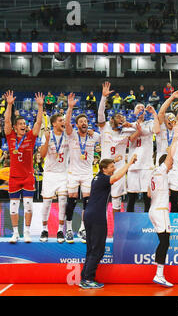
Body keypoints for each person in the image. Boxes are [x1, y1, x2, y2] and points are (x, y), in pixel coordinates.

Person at [79, 154, 137, 289]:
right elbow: (116, 177)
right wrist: (129, 164)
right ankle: (87, 279)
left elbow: (111, 170)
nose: (114, 168)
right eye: (112, 167)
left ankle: (85, 277)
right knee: (98, 250)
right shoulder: (104, 179)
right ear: (104, 169)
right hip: (97, 217)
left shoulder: (97, 177)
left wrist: (114, 160)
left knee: (91, 249)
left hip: (89, 215)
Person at [4, 90, 44, 243]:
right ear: (15, 127)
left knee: (28, 205)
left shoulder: (30, 137)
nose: (23, 125)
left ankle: (27, 232)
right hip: (14, 177)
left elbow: (38, 123)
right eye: (20, 124)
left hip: (28, 177)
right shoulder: (10, 136)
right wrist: (9, 104)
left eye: (24, 123)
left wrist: (40, 107)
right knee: (13, 207)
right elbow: (7, 121)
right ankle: (15, 233)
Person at [65, 93, 101, 243]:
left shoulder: (94, 136)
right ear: (77, 124)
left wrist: (95, 132)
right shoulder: (72, 135)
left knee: (87, 201)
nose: (84, 123)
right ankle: (68, 230)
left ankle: (82, 229)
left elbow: (102, 134)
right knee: (72, 200)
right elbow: (66, 123)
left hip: (87, 173)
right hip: (73, 173)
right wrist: (70, 107)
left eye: (86, 121)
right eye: (81, 121)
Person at [148, 123, 178, 287]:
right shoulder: (161, 170)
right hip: (160, 210)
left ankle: (158, 272)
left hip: (154, 209)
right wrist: (175, 135)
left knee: (164, 241)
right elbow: (170, 154)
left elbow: (148, 193)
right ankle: (159, 274)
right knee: (165, 241)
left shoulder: (155, 173)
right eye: (170, 163)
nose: (172, 164)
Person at [98, 82, 136, 213]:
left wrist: (130, 124)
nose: (121, 119)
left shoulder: (126, 131)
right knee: (100, 199)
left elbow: (143, 130)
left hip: (119, 167)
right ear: (112, 120)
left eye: (122, 118)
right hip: (104, 168)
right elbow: (100, 114)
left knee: (116, 200)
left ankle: (116, 231)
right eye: (118, 117)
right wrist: (103, 98)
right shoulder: (105, 127)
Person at [39, 112, 69, 243]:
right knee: (46, 203)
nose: (63, 122)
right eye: (61, 120)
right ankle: (44, 229)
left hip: (63, 173)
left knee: (63, 200)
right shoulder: (47, 135)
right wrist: (45, 141)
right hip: (50, 173)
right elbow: (42, 155)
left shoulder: (68, 135)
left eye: (63, 120)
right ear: (54, 123)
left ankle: (60, 230)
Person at [126, 103, 160, 213]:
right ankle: (129, 222)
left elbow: (156, 130)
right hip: (133, 164)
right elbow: (130, 139)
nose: (140, 109)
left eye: (142, 108)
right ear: (134, 112)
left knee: (147, 196)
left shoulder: (149, 123)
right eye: (138, 107)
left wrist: (154, 113)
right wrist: (138, 130)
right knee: (131, 197)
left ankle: (147, 222)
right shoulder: (129, 125)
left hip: (146, 164)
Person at [156, 89, 178, 213]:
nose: (170, 120)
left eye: (172, 118)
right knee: (160, 196)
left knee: (174, 198)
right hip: (162, 167)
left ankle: (173, 221)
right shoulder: (161, 128)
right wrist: (172, 97)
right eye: (168, 118)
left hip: (175, 168)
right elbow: (161, 112)